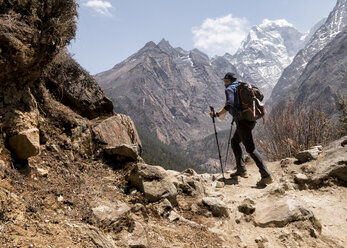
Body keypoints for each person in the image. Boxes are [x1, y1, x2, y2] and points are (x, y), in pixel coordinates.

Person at [209, 72, 273, 186]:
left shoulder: (229, 89)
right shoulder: (240, 86)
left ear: (228, 80)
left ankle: (266, 175)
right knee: (235, 142)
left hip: (242, 122)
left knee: (251, 149)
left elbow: (229, 104)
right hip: (250, 119)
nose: (224, 82)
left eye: (225, 80)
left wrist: (217, 114)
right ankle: (241, 170)